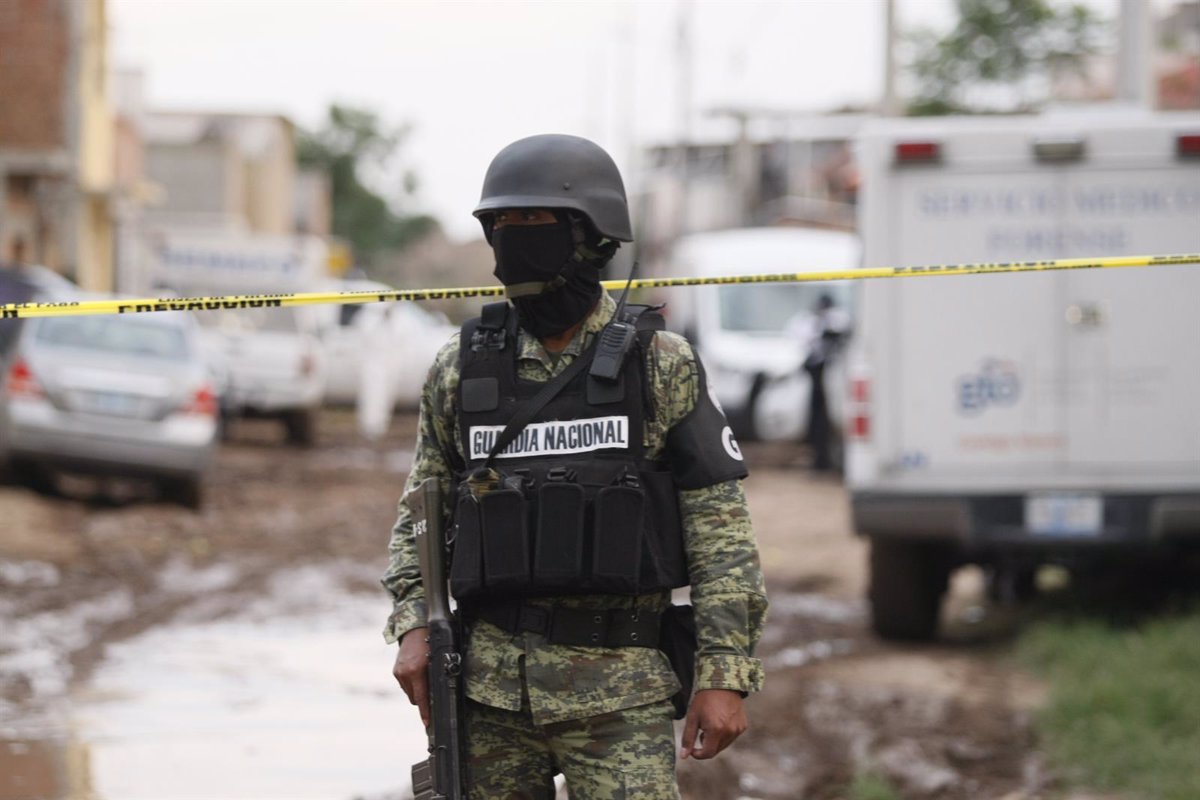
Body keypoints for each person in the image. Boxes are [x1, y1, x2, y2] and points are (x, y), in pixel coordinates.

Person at [382, 133, 767, 798]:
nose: (514, 240)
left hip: (621, 691)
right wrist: (414, 623)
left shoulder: (660, 363)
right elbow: (419, 515)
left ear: (591, 236)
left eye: (533, 223)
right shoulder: (461, 366)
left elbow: (721, 537)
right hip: (488, 693)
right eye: (501, 225)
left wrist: (724, 674)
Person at [794, 292, 850, 472]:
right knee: (818, 420)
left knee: (826, 420)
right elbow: (803, 342)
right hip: (817, 376)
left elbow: (841, 335)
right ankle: (820, 460)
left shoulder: (837, 319)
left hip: (832, 374)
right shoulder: (808, 321)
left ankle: (824, 460)